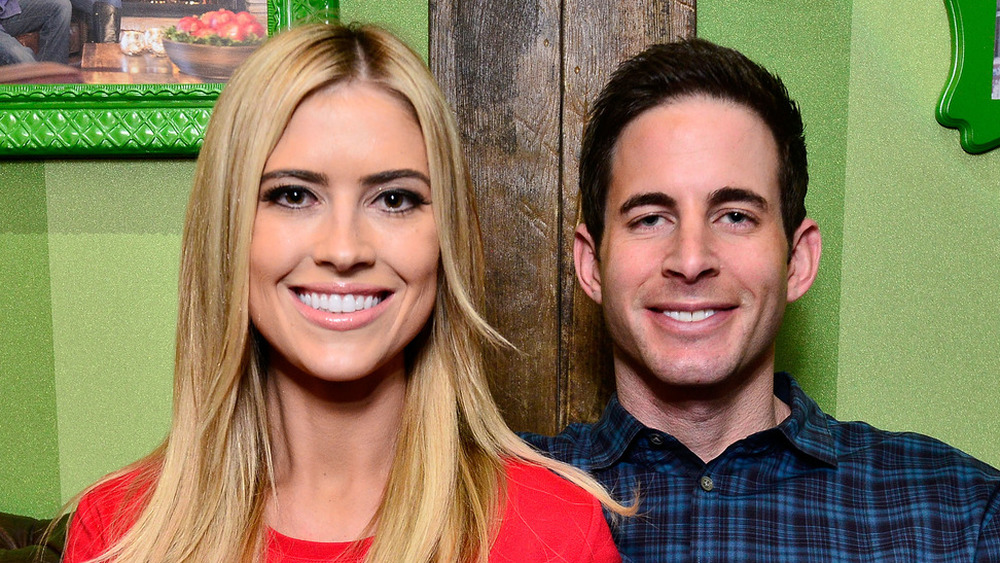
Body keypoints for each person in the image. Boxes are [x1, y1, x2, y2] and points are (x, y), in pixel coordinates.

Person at [63, 23, 627, 563]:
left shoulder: (555, 531)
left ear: (448, 239)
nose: (344, 248)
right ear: (226, 231)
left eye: (395, 200)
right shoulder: (118, 531)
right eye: (291, 195)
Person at [523, 38, 1000, 561]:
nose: (690, 259)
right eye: (650, 218)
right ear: (591, 264)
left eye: (735, 216)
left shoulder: (959, 517)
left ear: (798, 260)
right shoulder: (490, 500)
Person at [0, 0, 70, 65]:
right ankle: (40, 75)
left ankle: (53, 73)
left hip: (6, 8)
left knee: (61, 6)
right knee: (21, 56)